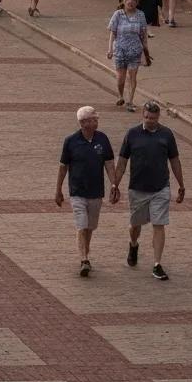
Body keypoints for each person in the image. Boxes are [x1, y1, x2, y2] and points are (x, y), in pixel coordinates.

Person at [112, 102, 185, 282]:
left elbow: (174, 161)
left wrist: (181, 184)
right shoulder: (132, 134)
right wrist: (115, 184)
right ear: (142, 116)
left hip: (161, 187)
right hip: (137, 188)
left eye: (153, 118)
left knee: (159, 224)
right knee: (135, 225)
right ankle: (134, 244)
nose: (149, 121)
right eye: (146, 117)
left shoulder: (166, 135)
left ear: (158, 117)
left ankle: (157, 263)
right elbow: (122, 162)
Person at [55, 106, 118, 277]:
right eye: (93, 119)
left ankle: (85, 252)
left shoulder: (102, 139)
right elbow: (63, 167)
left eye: (96, 119)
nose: (96, 122)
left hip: (96, 191)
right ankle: (84, 259)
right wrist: (58, 189)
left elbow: (109, 164)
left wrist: (114, 185)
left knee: (90, 226)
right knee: (81, 225)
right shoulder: (71, 141)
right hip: (77, 192)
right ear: (83, 123)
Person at [107, 0, 152, 112]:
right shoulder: (118, 14)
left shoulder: (140, 15)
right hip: (120, 50)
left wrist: (146, 50)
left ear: (137, 3)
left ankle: (130, 101)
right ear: (124, 1)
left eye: (133, 0)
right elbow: (112, 32)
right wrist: (110, 49)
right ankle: (121, 96)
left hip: (135, 51)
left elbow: (143, 34)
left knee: (132, 76)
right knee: (120, 77)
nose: (130, 2)